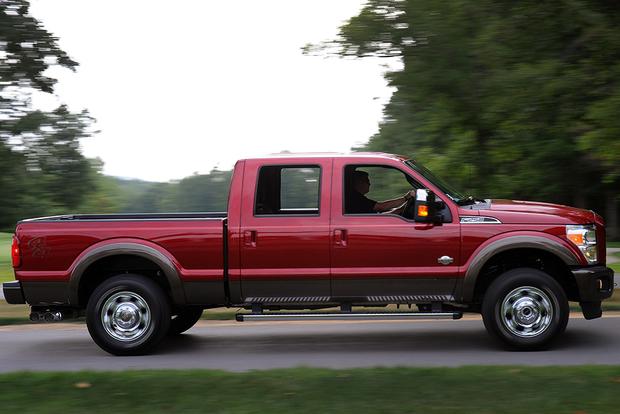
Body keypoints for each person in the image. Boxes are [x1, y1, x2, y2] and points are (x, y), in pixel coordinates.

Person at [346, 170, 415, 214]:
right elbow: (381, 207)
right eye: (367, 181)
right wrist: (406, 198)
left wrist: (400, 209)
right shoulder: (354, 198)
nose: (369, 184)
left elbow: (380, 214)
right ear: (358, 182)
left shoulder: (358, 198)